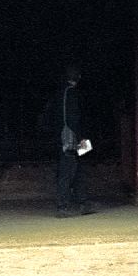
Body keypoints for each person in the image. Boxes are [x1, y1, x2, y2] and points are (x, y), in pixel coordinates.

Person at [40, 67, 90, 216]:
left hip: (63, 136)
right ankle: (64, 206)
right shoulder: (71, 93)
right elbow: (74, 118)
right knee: (69, 171)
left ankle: (83, 202)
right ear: (78, 77)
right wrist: (81, 137)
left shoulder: (60, 93)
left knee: (77, 168)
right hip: (71, 137)